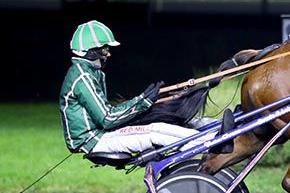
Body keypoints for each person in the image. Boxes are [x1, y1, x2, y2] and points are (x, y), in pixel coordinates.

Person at [59, 20, 213, 155]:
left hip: (100, 134)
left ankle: (214, 133)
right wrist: (143, 101)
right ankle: (213, 143)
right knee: (154, 131)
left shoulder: (90, 73)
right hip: (94, 140)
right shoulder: (83, 77)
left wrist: (143, 99)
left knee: (159, 126)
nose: (108, 54)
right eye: (105, 49)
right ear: (91, 52)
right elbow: (108, 118)